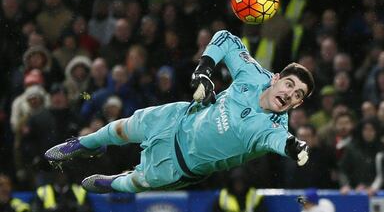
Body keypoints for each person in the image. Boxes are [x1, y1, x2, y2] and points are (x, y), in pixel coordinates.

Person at [45, 30, 314, 193]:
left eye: (297, 94)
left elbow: (279, 141)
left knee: (139, 182)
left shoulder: (274, 128)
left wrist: (294, 147)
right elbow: (226, 39)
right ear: (276, 78)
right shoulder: (254, 75)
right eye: (289, 84)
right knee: (123, 127)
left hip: (181, 164)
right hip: (178, 118)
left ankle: (114, 183)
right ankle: (85, 144)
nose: (289, 93)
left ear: (298, 103)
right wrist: (204, 70)